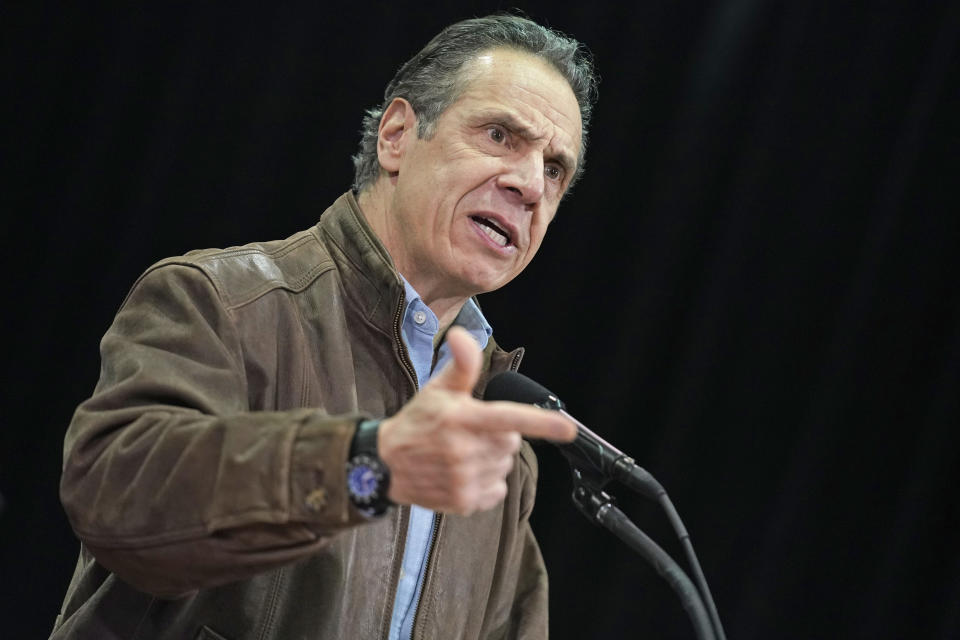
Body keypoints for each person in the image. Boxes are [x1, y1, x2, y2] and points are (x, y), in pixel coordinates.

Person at [51, 14, 597, 640]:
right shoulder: (222, 304)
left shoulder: (497, 449)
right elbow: (119, 500)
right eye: (500, 135)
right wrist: (368, 465)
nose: (529, 183)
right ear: (396, 136)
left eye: (555, 170)